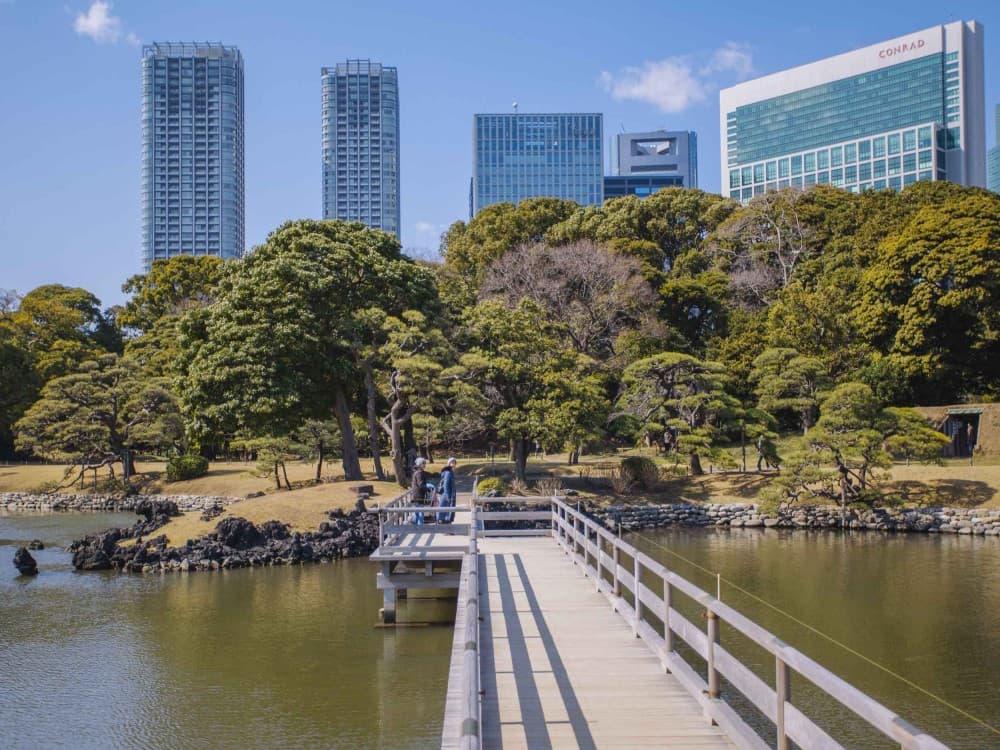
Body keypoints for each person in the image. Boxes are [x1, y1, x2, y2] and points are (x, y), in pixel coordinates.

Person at [437, 457, 457, 524]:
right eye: (452, 463)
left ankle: (448, 530)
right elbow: (446, 485)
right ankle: (447, 530)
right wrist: (448, 497)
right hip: (447, 496)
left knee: (448, 513)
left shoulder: (450, 472)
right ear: (448, 464)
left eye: (454, 463)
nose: (453, 464)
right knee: (447, 513)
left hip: (450, 495)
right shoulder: (448, 473)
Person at [410, 457, 428, 525]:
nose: (424, 465)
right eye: (423, 463)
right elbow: (420, 484)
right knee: (420, 512)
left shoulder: (416, 472)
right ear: (419, 464)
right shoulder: (419, 473)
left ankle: (415, 524)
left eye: (425, 463)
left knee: (417, 511)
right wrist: (427, 489)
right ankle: (420, 527)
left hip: (416, 495)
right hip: (418, 495)